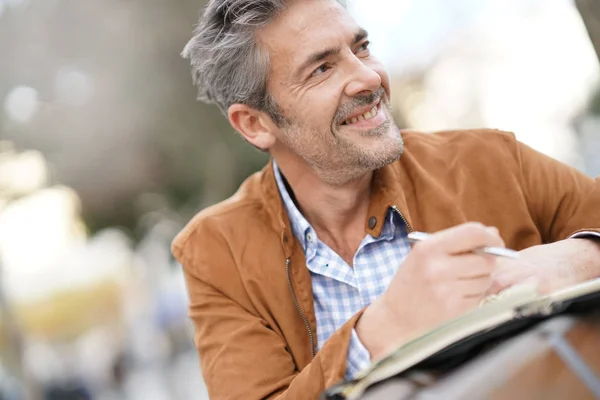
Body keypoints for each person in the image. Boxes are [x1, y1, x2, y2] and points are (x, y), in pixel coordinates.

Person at [172, 0, 600, 399]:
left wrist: (572, 261)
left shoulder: (490, 160)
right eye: (321, 68)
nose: (369, 77)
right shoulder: (214, 251)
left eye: (362, 48)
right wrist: (383, 329)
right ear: (254, 123)